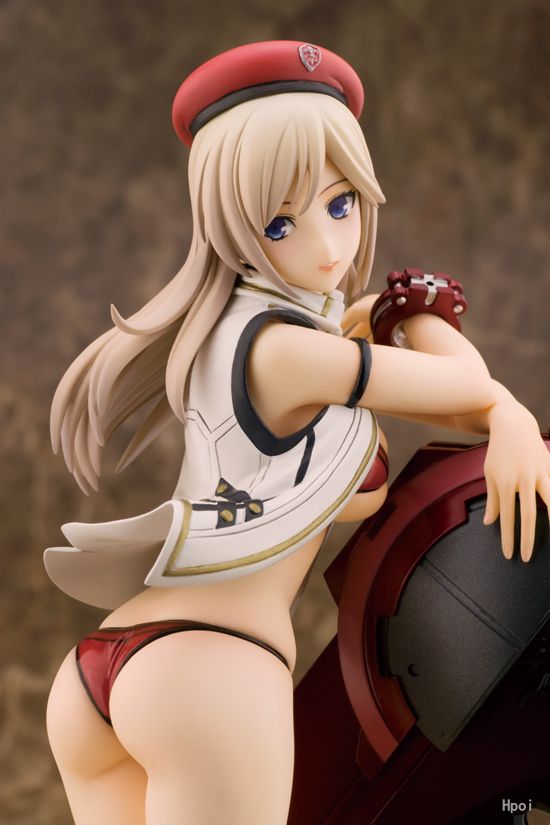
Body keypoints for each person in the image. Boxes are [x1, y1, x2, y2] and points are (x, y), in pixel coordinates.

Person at [45, 41, 550, 825]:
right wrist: (417, 308)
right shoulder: (286, 352)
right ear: (229, 222)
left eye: (340, 204)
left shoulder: (235, 331)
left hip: (110, 672)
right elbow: (466, 386)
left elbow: (453, 409)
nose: (325, 247)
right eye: (281, 221)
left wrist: (487, 406)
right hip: (209, 670)